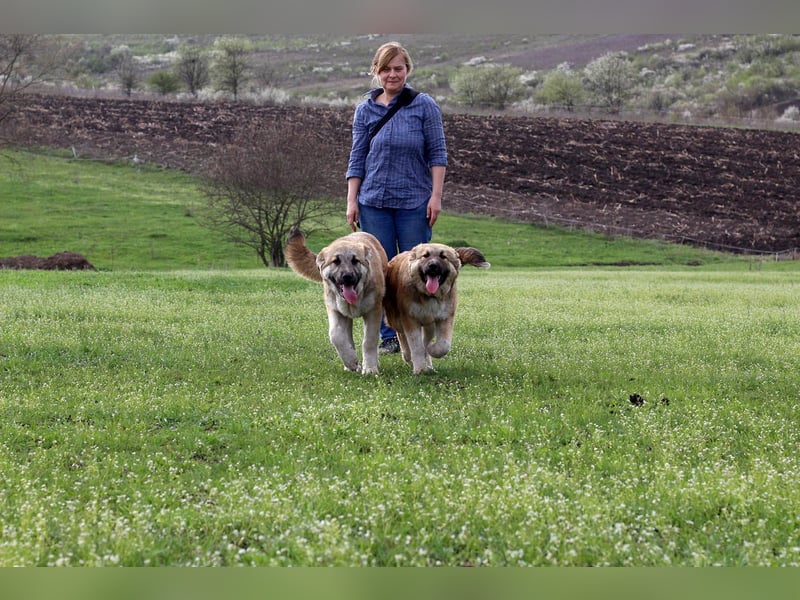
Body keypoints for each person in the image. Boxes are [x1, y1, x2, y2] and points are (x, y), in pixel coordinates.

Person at [345, 41, 448, 354]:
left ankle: (421, 329)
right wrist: (352, 199)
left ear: (408, 70)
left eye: (398, 68)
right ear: (376, 72)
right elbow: (357, 155)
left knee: (415, 271)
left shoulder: (424, 105)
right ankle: (390, 336)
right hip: (373, 201)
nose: (393, 75)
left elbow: (438, 153)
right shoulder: (365, 109)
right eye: (386, 69)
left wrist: (436, 196)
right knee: (383, 274)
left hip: (414, 201)